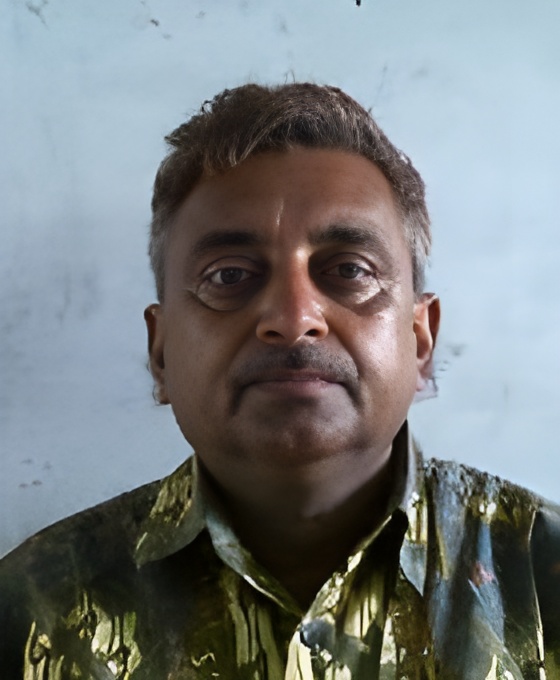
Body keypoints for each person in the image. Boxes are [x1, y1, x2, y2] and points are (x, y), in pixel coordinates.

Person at [1, 83, 559, 679]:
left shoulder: (543, 577)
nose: (294, 319)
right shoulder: (30, 608)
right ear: (160, 353)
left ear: (421, 341)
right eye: (229, 275)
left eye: (349, 270)